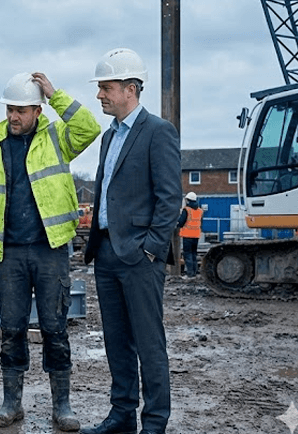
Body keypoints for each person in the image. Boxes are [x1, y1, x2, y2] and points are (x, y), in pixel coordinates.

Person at [0, 72, 101, 431]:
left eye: (21, 110)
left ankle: (63, 405)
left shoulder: (57, 137)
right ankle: (11, 403)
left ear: (38, 110)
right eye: (10, 109)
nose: (13, 117)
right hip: (9, 253)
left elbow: (89, 128)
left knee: (54, 328)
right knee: (11, 328)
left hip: (50, 250)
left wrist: (56, 94)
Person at [81, 48, 182, 434]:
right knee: (117, 340)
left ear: (130, 89)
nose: (100, 95)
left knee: (148, 341)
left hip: (139, 255)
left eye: (106, 87)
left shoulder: (158, 131)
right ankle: (121, 414)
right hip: (107, 251)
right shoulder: (111, 137)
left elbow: (170, 197)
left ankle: (154, 421)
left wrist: (151, 249)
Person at [177, 192, 203, 278]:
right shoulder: (200, 211)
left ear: (188, 200)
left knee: (187, 254)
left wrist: (177, 223)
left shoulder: (186, 210)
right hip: (196, 236)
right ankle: (194, 272)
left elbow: (181, 223)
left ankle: (190, 274)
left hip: (187, 235)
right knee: (193, 254)